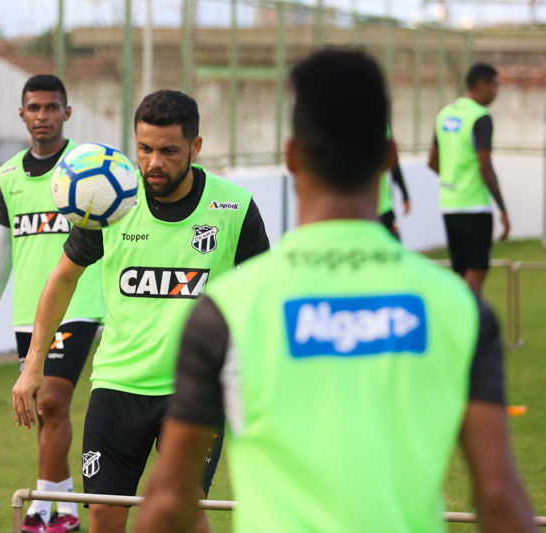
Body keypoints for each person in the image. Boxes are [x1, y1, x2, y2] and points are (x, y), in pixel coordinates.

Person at [134, 50, 537, 533]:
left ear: (290, 156)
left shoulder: (229, 310)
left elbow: (171, 497)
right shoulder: (457, 307)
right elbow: (498, 495)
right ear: (388, 158)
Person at [12, 89, 270, 533]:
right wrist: (33, 364)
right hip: (117, 385)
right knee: (107, 517)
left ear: (195, 146)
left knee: (183, 510)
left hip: (195, 390)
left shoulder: (235, 208)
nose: (154, 163)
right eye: (145, 149)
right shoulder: (109, 203)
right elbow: (62, 279)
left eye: (169, 151)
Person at [0, 74, 104, 533]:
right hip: (29, 309)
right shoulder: (8, 174)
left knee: (53, 396)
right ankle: (64, 505)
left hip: (81, 302)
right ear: (22, 114)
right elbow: (6, 243)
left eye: (52, 108)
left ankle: (45, 505)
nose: (43, 116)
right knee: (43, 408)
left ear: (67, 113)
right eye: (35, 107)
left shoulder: (88, 167)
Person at [428, 63, 509, 294]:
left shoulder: (445, 114)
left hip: (449, 206)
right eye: (495, 85)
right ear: (482, 84)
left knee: (462, 274)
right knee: (476, 275)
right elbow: (486, 169)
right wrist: (503, 209)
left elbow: (432, 161)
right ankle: (469, 327)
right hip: (474, 206)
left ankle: (461, 323)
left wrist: (454, 179)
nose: (496, 91)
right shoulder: (480, 117)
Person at [378, 127, 410, 240]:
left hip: (381, 207)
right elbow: (393, 163)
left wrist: (405, 194)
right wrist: (405, 195)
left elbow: (394, 164)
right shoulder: (378, 121)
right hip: (381, 208)